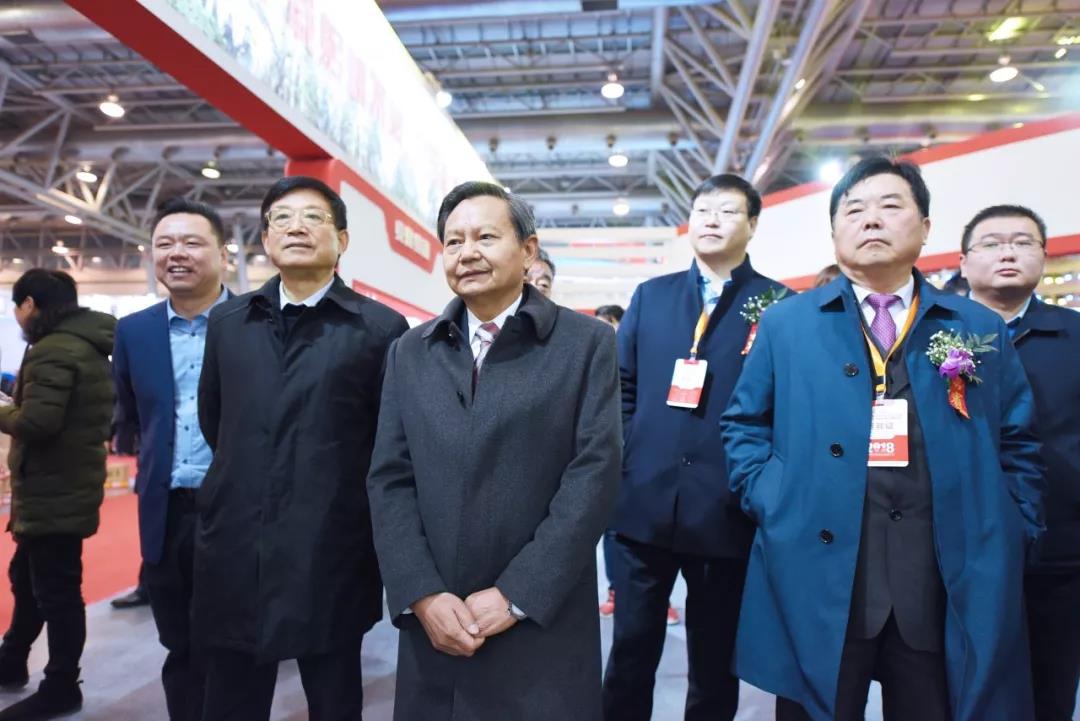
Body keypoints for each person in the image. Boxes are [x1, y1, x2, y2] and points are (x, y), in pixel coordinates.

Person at [721, 157, 1045, 721]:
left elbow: (1018, 440)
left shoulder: (975, 326)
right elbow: (744, 424)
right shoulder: (787, 324)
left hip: (941, 577)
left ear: (925, 227)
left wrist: (1014, 523)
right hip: (820, 569)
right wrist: (773, 498)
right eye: (854, 210)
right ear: (834, 232)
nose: (871, 219)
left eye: (890, 206)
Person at [367, 181, 620, 721]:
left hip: (539, 618)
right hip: (438, 619)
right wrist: (421, 593)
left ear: (528, 251)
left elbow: (594, 476)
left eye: (485, 237)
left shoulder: (585, 344)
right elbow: (389, 478)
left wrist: (516, 594)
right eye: (453, 241)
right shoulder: (411, 351)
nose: (468, 253)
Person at [195, 176, 408, 720]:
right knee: (231, 697)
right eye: (282, 218)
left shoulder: (379, 328)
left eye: (314, 217)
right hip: (238, 542)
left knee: (334, 696)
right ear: (266, 239)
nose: (296, 227)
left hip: (330, 545)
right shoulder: (229, 322)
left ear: (342, 240)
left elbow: (388, 441)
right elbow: (215, 420)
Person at [601, 174, 787, 721]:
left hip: (726, 511)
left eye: (726, 211)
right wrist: (630, 456)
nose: (711, 220)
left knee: (714, 662)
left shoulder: (778, 305)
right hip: (643, 507)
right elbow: (622, 386)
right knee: (630, 651)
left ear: (752, 225)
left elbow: (784, 407)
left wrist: (757, 485)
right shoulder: (652, 296)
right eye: (702, 210)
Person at [112, 198, 231, 721]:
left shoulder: (253, 322)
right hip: (165, 511)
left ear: (223, 255)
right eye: (164, 244)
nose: (176, 253)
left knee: (232, 647)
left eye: (191, 242)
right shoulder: (133, 332)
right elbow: (134, 414)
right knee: (178, 643)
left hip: (233, 511)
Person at [960, 204, 1080, 721]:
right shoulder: (928, 334)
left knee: (1050, 686)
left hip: (1058, 548)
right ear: (964, 261)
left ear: (1043, 257)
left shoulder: (1073, 335)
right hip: (951, 549)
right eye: (991, 243)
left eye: (1023, 242)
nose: (1007, 252)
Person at [0, 269, 116, 720]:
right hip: (63, 485)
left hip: (54, 490)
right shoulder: (82, 344)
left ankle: (62, 685)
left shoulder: (53, 348)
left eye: (17, 308)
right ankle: (12, 660)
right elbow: (51, 406)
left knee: (56, 590)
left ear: (29, 305)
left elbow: (37, 422)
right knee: (28, 578)